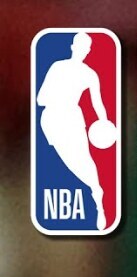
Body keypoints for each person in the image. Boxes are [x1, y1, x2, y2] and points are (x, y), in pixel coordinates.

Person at [36, 31, 111, 231]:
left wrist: (103, 122)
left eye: (86, 48)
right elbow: (40, 98)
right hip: (51, 119)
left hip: (73, 119)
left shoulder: (90, 74)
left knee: (84, 160)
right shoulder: (57, 67)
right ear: (73, 47)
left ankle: (98, 197)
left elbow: (98, 103)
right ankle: (95, 193)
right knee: (65, 162)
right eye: (80, 46)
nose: (82, 51)